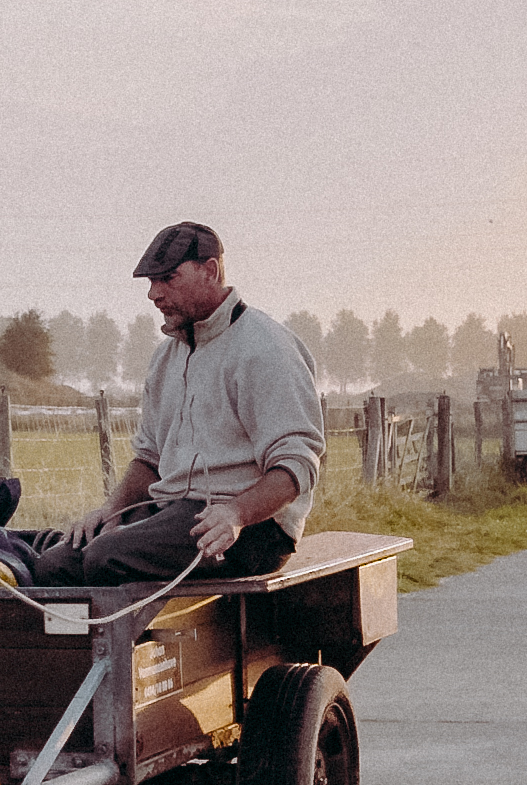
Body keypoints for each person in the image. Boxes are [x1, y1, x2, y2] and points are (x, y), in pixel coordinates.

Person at [27, 222, 322, 585]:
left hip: (252, 529)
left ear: (210, 271)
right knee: (54, 565)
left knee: (106, 559)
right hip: (174, 512)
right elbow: (149, 458)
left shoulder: (265, 349)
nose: (153, 294)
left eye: (167, 278)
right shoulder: (166, 358)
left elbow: (297, 464)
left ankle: (135, 642)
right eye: (150, 282)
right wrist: (111, 510)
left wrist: (235, 514)